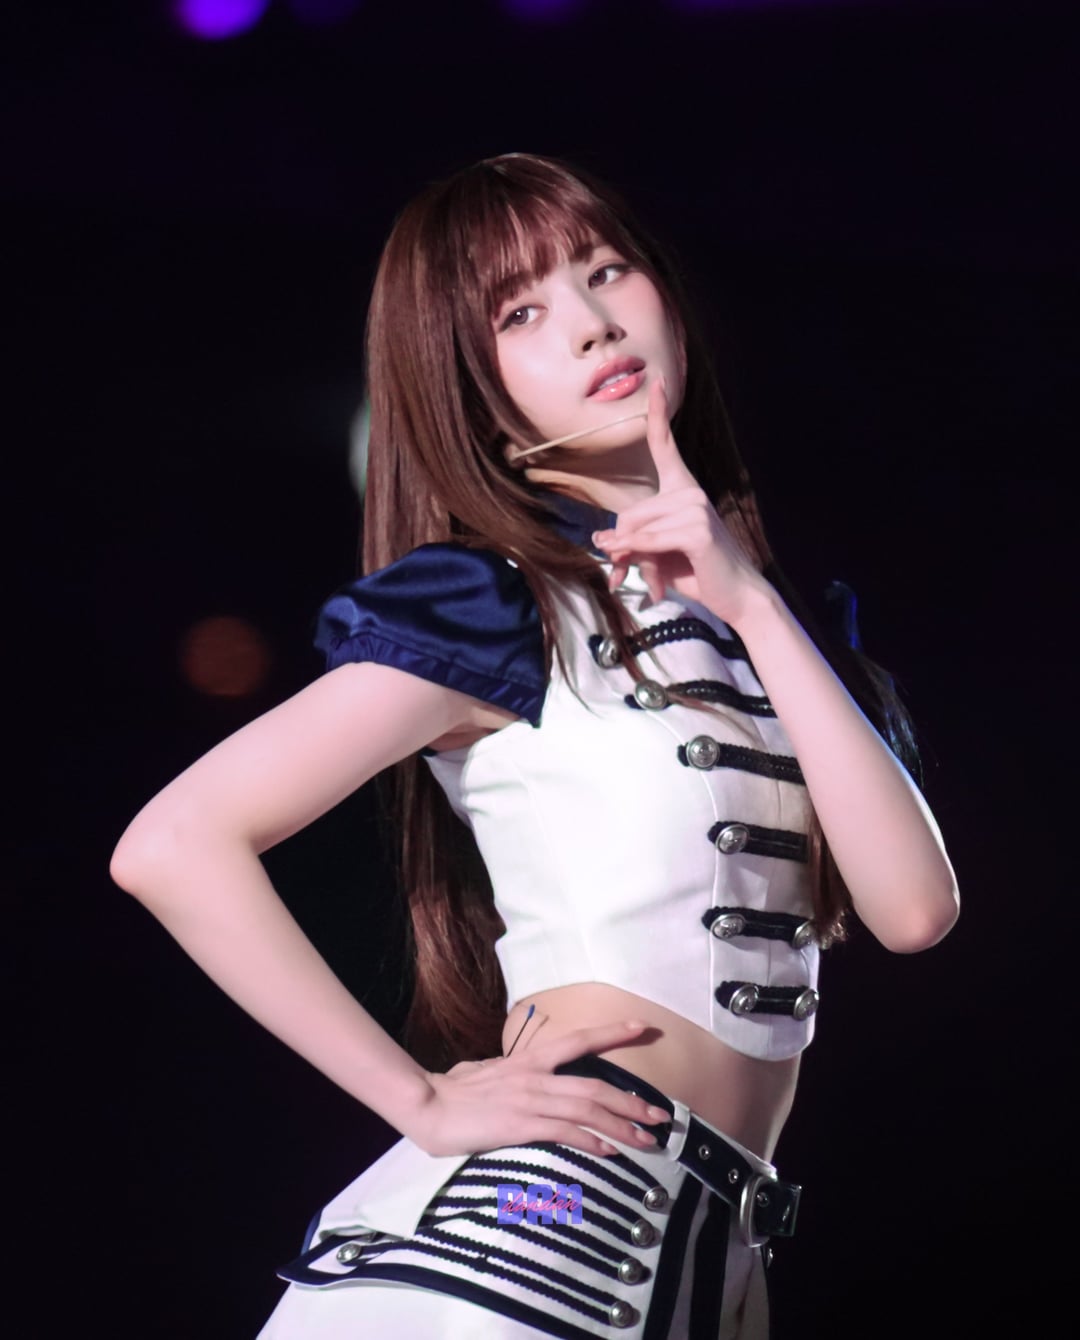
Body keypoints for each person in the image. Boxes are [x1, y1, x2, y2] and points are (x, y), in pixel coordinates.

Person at [111, 154, 959, 1339]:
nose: (591, 322)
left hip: (708, 1269)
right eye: (520, 312)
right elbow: (173, 842)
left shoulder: (781, 623)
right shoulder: (498, 603)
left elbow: (915, 909)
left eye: (606, 270)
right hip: (530, 1244)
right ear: (471, 386)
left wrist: (753, 601)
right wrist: (420, 1099)